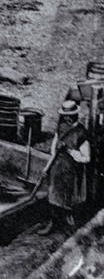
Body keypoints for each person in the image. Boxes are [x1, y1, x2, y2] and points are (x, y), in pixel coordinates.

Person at [37, 100, 90, 235]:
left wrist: (69, 151)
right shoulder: (61, 127)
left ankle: (69, 226)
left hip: (72, 171)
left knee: (68, 199)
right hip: (57, 168)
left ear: (76, 115)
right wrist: (47, 167)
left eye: (70, 115)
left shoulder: (81, 133)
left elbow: (86, 157)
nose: (67, 118)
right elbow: (54, 150)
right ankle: (53, 223)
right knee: (53, 196)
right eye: (65, 115)